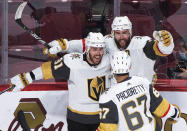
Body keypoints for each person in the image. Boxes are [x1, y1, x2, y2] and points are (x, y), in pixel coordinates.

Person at [10, 32, 111, 131]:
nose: (98, 53)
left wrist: (65, 45)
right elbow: (49, 69)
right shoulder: (72, 63)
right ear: (87, 49)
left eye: (101, 49)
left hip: (103, 119)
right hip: (78, 120)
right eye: (94, 49)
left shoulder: (108, 60)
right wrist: (27, 77)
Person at [43, 16, 174, 82]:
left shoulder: (142, 44)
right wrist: (64, 45)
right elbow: (85, 45)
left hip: (143, 97)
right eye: (118, 33)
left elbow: (161, 50)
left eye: (125, 32)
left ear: (131, 32)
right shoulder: (108, 42)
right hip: (115, 96)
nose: (122, 37)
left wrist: (167, 44)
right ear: (112, 33)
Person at [97, 51, 181, 131]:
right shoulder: (142, 81)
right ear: (129, 66)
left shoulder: (107, 97)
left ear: (111, 67)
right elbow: (162, 109)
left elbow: (107, 128)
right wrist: (175, 112)